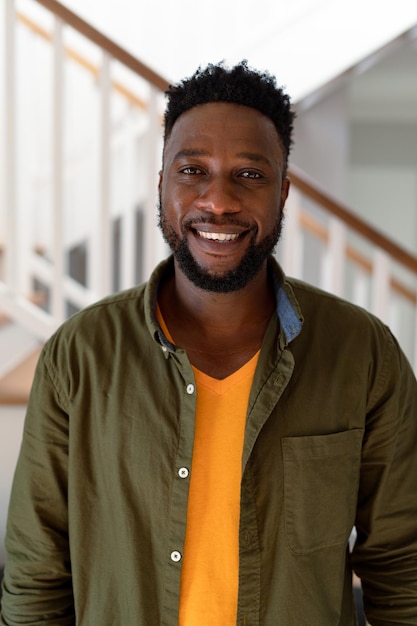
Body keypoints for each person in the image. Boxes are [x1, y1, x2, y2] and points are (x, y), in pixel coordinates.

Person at [1, 60, 417, 626]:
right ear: (162, 184)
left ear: (283, 192)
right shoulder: (80, 355)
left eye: (249, 174)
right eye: (193, 170)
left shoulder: (362, 354)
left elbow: (402, 564)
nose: (217, 201)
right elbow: (36, 574)